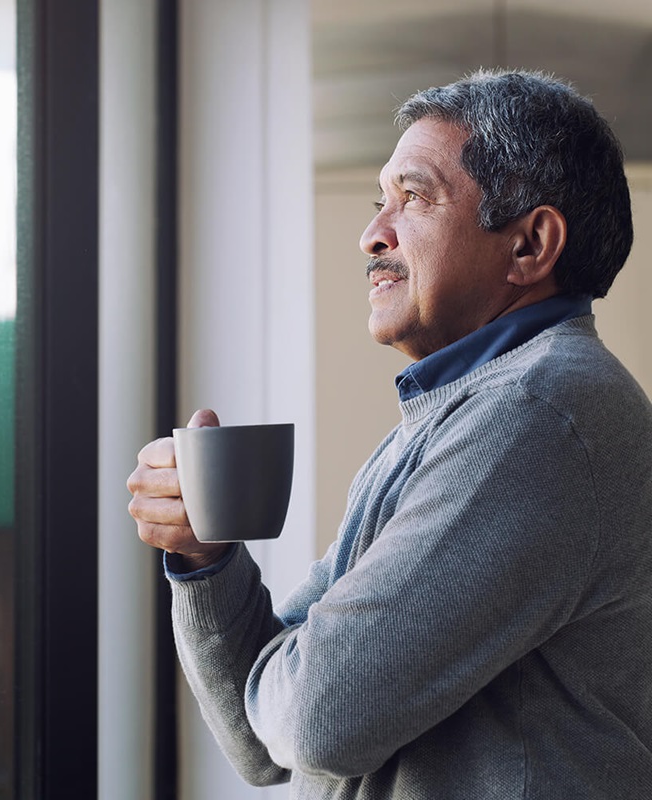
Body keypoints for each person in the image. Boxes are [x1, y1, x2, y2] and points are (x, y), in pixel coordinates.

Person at [127, 69, 652, 799]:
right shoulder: (453, 416)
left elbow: (314, 722)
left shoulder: (539, 414)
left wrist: (297, 673)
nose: (372, 233)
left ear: (531, 245)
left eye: (413, 197)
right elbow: (262, 746)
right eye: (381, 201)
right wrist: (204, 556)